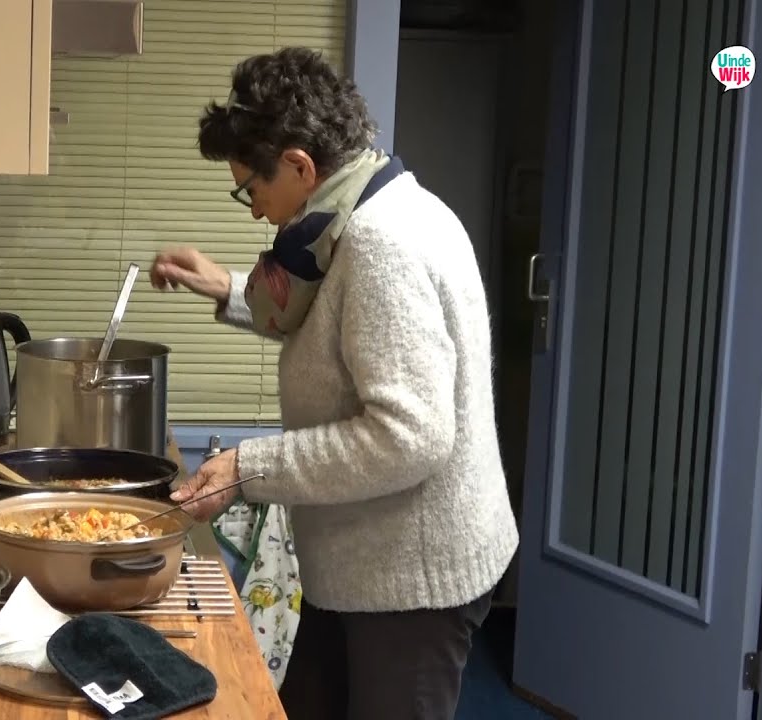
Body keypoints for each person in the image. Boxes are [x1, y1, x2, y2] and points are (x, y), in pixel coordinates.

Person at [148, 47, 520, 720]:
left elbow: (408, 438)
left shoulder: (382, 244)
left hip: (411, 582)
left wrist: (246, 467)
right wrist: (227, 288)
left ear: (299, 166)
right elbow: (336, 328)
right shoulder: (357, 211)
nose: (254, 210)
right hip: (363, 564)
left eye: (251, 190)